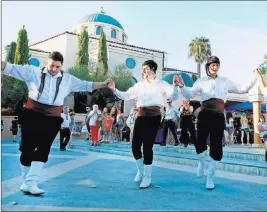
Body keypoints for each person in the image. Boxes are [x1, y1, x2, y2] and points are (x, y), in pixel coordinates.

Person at [1, 51, 111, 195]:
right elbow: (10, 68)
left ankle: (31, 182)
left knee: (44, 148)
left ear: (61, 66)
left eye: (57, 67)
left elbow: (86, 85)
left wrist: (103, 84)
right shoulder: (32, 72)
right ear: (48, 63)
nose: (54, 69)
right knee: (27, 149)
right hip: (32, 114)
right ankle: (25, 181)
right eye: (52, 65)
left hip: (52, 118)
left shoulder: (68, 79)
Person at [177, 56, 257, 190]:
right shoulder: (201, 81)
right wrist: (181, 86)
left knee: (216, 146)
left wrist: (254, 76)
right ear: (208, 67)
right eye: (212, 65)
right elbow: (190, 94)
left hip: (218, 116)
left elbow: (242, 88)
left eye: (217, 65)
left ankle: (210, 177)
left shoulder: (225, 81)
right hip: (204, 114)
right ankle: (202, 162)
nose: (215, 67)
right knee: (200, 141)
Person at [108, 60, 179, 189]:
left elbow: (173, 96)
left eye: (146, 68)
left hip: (154, 116)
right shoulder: (140, 85)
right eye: (143, 69)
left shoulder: (162, 84)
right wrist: (114, 90)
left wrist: (174, 86)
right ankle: (140, 171)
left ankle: (147, 177)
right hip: (141, 115)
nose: (144, 71)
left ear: (152, 69)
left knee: (147, 146)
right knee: (135, 145)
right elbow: (127, 95)